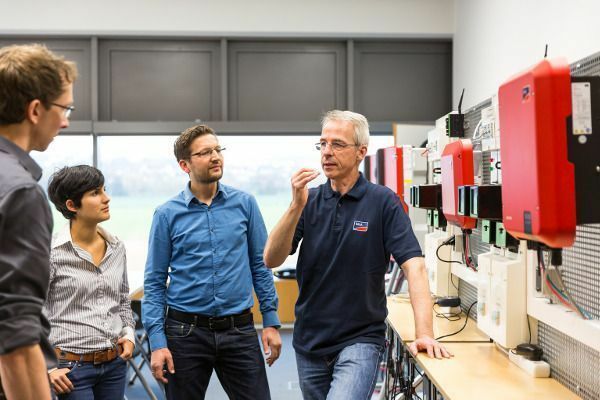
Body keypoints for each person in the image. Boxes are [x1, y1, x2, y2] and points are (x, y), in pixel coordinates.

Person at [263, 110, 452, 399]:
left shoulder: (383, 202)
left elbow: (415, 266)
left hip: (360, 340)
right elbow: (271, 259)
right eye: (323, 144)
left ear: (361, 151)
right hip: (309, 340)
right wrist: (294, 206)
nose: (327, 152)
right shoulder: (308, 201)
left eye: (337, 144)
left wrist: (424, 332)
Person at [142, 124, 282, 400]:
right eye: (205, 152)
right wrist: (157, 342)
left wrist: (271, 320)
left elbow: (260, 265)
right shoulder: (166, 215)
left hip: (239, 330)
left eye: (218, 149)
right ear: (185, 165)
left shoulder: (245, 204)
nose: (216, 156)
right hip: (185, 334)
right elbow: (155, 282)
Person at [0, 43, 77, 400]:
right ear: (35, 110)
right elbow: (14, 333)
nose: (65, 121)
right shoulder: (20, 192)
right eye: (64, 108)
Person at [44, 165, 135, 399]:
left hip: (114, 365)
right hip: (70, 369)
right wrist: (48, 367)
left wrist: (128, 334)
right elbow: (31, 313)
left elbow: (122, 300)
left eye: (104, 189)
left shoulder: (117, 247)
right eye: (95, 193)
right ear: (72, 205)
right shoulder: (51, 253)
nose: (106, 198)